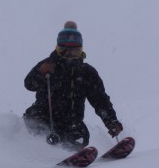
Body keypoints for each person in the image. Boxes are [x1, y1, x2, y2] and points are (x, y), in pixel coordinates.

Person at [23, 21, 123, 150]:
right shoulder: (48, 65)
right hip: (44, 116)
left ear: (81, 50)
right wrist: (40, 74)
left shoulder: (87, 72)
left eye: (74, 51)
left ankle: (69, 157)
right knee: (36, 123)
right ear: (58, 49)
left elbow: (100, 100)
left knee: (81, 135)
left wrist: (111, 121)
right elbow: (29, 84)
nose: (69, 55)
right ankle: (40, 154)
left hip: (70, 121)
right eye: (65, 50)